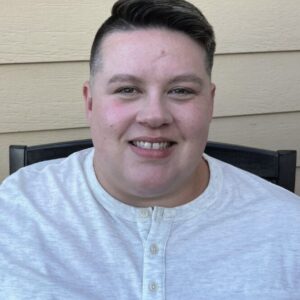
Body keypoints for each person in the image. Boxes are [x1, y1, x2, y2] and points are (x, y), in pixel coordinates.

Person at [0, 0, 299, 299]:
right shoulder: (17, 211)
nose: (154, 116)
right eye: (127, 89)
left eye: (181, 90)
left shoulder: (288, 228)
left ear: (210, 102)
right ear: (90, 103)